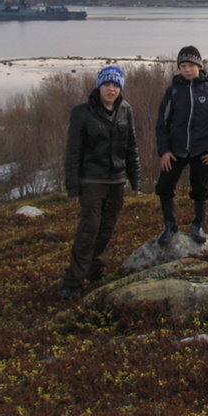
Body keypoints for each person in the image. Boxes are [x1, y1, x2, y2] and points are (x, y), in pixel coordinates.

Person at [60, 65, 141, 299]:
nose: (111, 89)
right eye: (107, 84)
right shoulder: (81, 113)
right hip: (91, 180)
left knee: (106, 229)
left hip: (116, 181)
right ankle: (72, 280)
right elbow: (72, 152)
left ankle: (94, 268)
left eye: (116, 85)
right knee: (90, 228)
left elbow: (131, 147)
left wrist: (136, 180)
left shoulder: (126, 110)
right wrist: (73, 187)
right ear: (99, 86)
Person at [153, 46, 208, 245]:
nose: (187, 70)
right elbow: (162, 124)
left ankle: (199, 225)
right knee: (164, 187)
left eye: (191, 65)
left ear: (199, 66)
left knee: (200, 189)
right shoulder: (173, 92)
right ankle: (170, 225)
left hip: (202, 150)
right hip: (175, 150)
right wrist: (164, 151)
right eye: (183, 66)